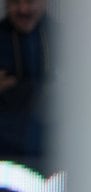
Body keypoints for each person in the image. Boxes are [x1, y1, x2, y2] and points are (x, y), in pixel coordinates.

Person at [0, 0, 48, 158]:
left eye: (30, 1)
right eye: (15, 2)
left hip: (50, 157)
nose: (23, 9)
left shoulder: (66, 41)